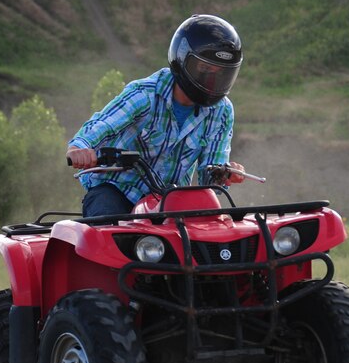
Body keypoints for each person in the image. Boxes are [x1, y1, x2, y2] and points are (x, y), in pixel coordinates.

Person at [66, 14, 246, 217]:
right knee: (108, 226)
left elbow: (209, 180)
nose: (211, 79)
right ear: (181, 60)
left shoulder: (221, 111)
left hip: (171, 200)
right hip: (117, 190)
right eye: (204, 69)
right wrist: (79, 147)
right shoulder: (145, 94)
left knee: (210, 233)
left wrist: (224, 173)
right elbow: (103, 125)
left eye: (220, 73)